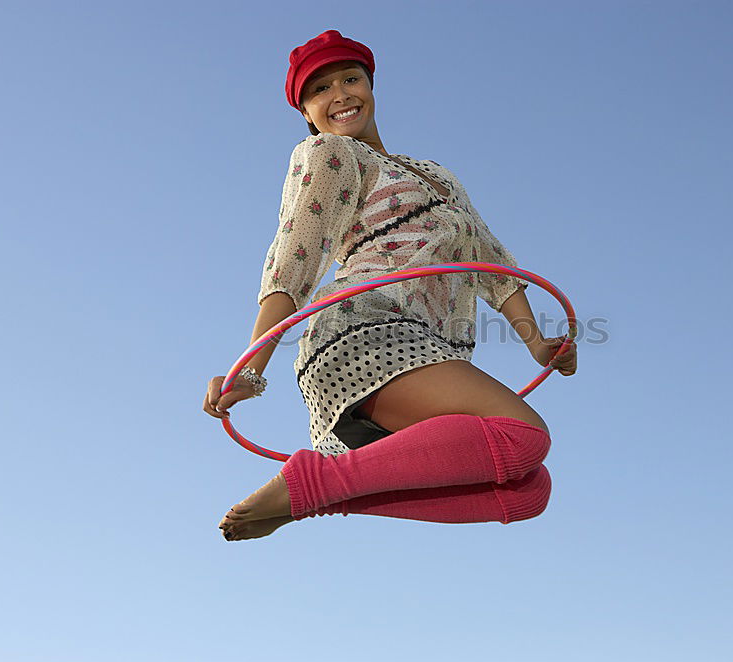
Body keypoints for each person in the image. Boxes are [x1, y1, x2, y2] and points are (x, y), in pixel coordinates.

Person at [206, 30, 578, 541]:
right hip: (364, 333)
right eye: (320, 90)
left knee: (527, 490)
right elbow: (294, 259)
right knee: (525, 435)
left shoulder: (437, 176)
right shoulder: (330, 154)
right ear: (306, 113)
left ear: (371, 87)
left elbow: (488, 260)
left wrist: (536, 343)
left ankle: (320, 495)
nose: (339, 95)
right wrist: (250, 369)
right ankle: (311, 483)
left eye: (350, 79)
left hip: (426, 346)